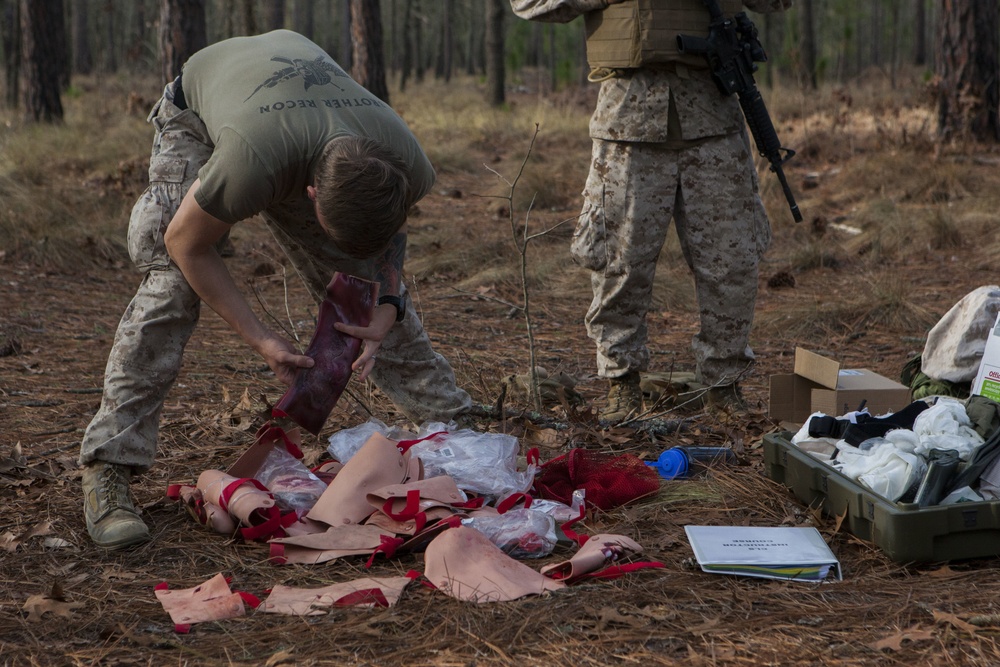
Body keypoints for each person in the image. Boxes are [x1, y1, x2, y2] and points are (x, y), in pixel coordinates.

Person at [79, 30, 472, 549]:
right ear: (310, 195)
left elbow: (391, 235)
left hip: (295, 117)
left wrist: (389, 306)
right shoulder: (252, 163)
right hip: (203, 105)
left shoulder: (408, 161)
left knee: (364, 296)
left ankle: (457, 427)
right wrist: (259, 337)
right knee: (172, 284)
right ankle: (108, 466)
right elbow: (186, 244)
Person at [510, 0, 792, 421]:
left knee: (732, 263)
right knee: (620, 262)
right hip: (629, 121)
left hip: (713, 115)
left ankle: (723, 387)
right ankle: (621, 383)